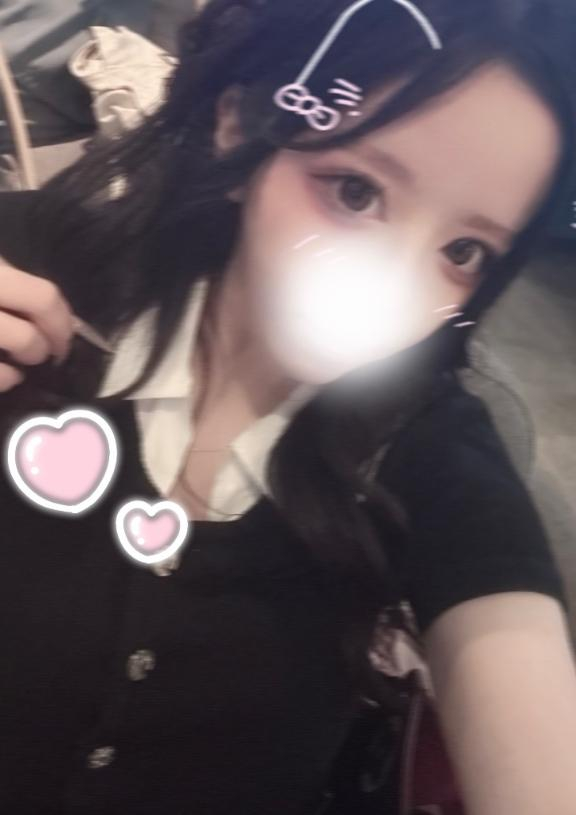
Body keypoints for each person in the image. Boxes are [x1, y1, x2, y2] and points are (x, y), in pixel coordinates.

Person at [0, 1, 575, 813]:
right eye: (355, 191)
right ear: (240, 126)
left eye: (462, 251)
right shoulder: (34, 270)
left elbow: (518, 670)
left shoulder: (425, 449)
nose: (394, 284)